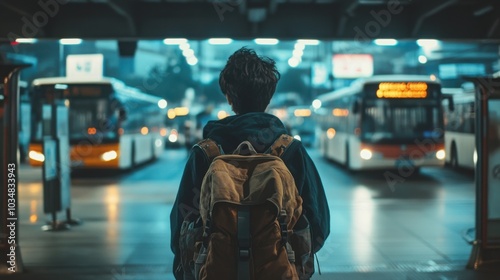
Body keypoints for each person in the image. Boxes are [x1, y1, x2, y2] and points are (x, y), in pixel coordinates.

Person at [170, 47, 330, 279]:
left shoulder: (206, 153)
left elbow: (181, 225)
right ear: (269, 96)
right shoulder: (290, 151)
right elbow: (319, 223)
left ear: (229, 97)